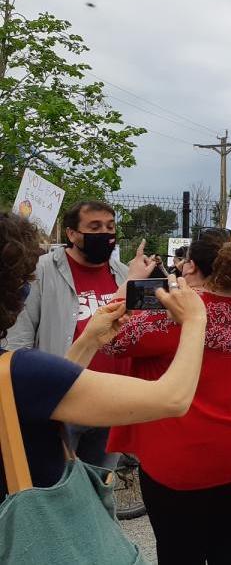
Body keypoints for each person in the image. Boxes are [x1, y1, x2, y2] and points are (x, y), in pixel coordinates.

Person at [0, 214, 207, 509]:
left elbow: (50, 386)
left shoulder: (22, 372)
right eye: (24, 278)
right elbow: (173, 399)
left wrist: (89, 341)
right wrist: (196, 319)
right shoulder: (20, 370)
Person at [102, 229, 231, 563]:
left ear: (191, 266)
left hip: (184, 444)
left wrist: (131, 279)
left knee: (180, 546)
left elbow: (111, 336)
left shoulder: (177, 313)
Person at [5, 199, 156, 467]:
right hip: (61, 400)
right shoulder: (41, 271)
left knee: (100, 484)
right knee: (55, 486)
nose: (105, 234)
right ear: (72, 233)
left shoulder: (124, 274)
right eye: (94, 227)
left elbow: (143, 327)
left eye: (110, 227)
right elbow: (19, 338)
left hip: (112, 399)